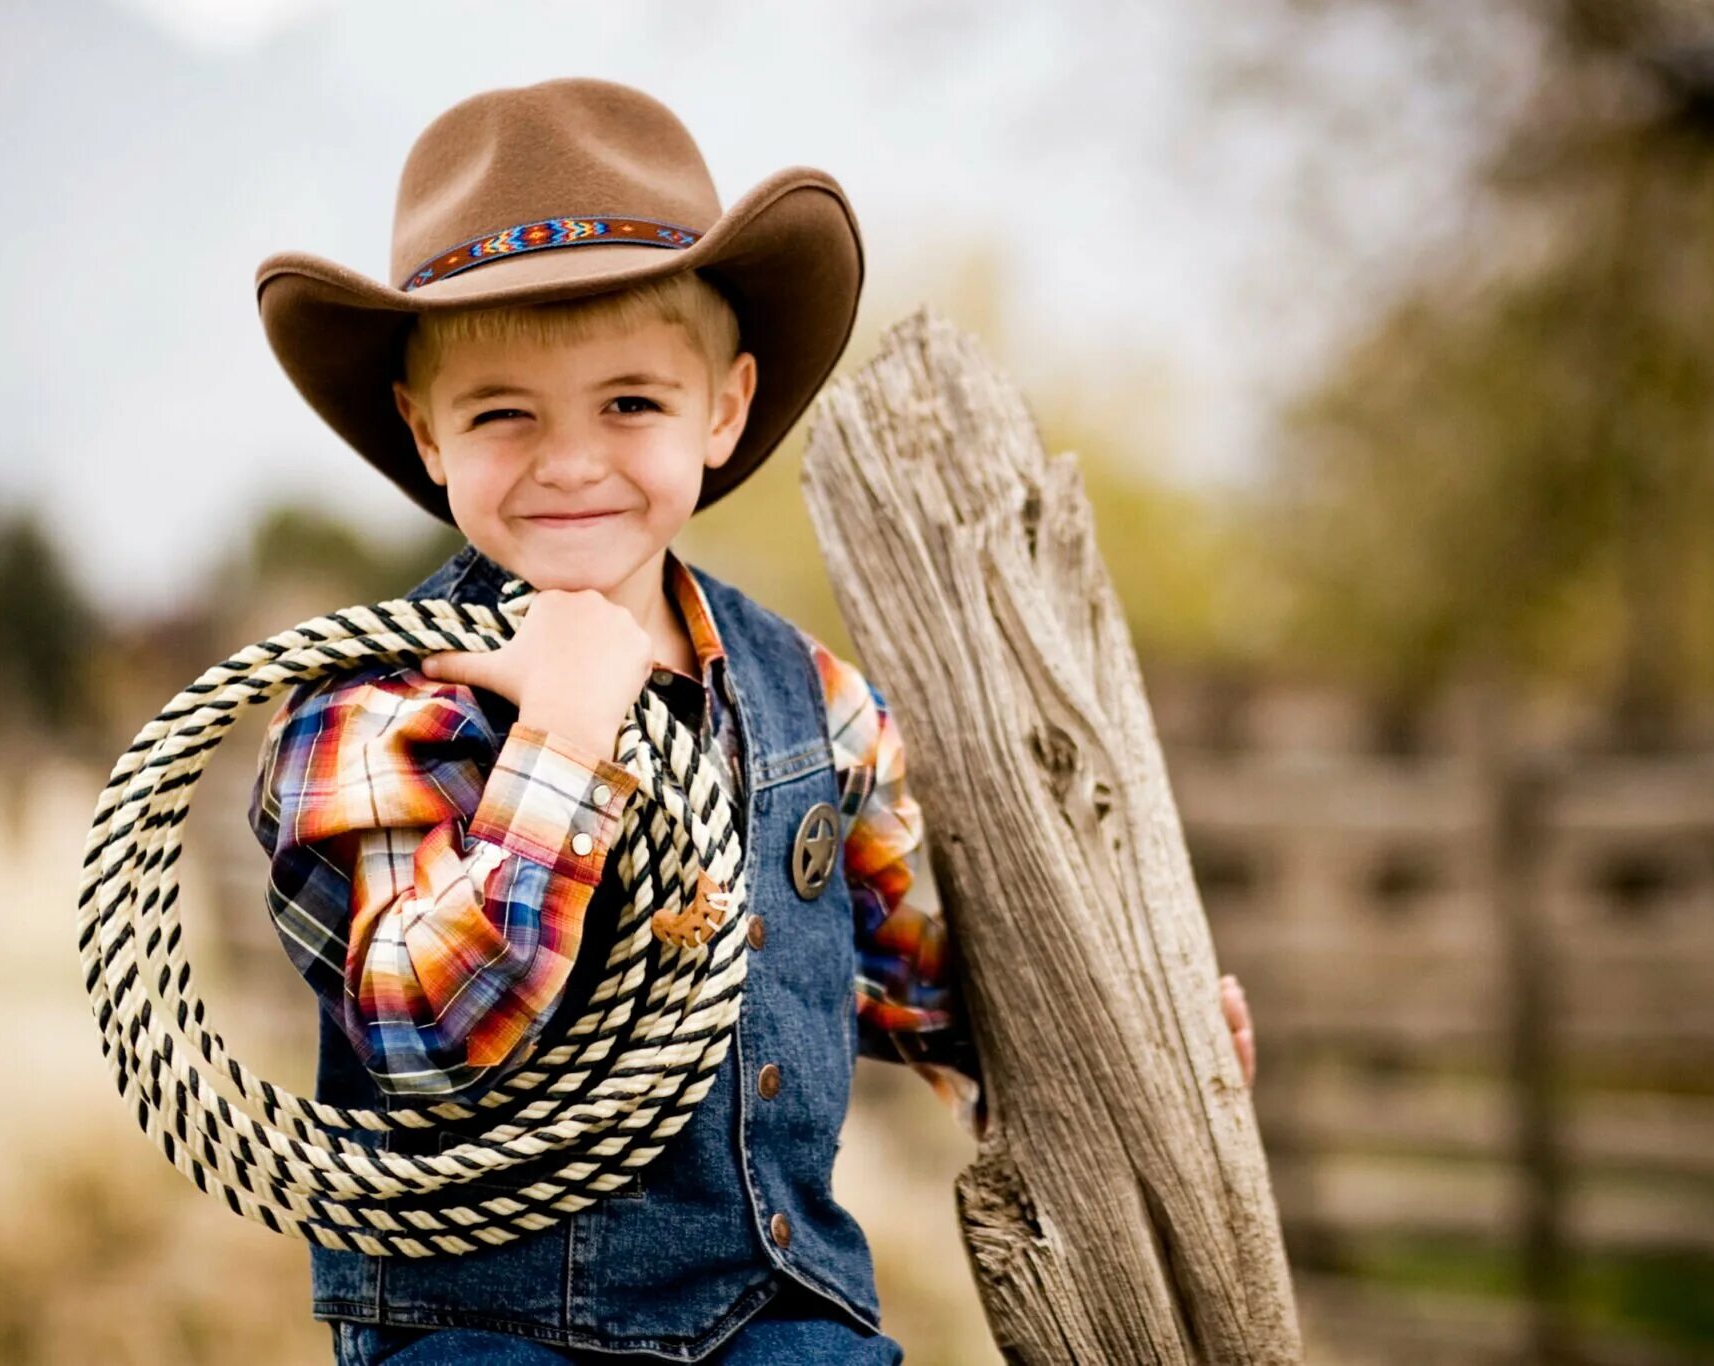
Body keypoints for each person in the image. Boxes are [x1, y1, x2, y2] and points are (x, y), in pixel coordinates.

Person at [245, 77, 1256, 1365]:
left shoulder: (812, 704)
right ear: (424, 430)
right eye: (504, 411)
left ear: (720, 410)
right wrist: (557, 746)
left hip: (783, 1318)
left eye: (631, 403)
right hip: (484, 1332)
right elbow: (420, 1038)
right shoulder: (375, 714)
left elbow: (930, 989)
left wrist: (1147, 1037)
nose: (569, 461)